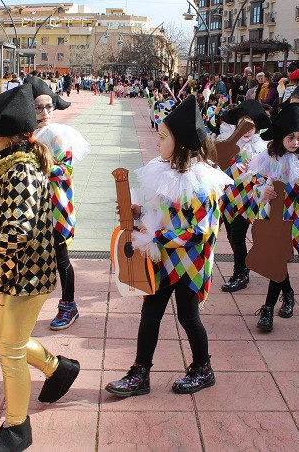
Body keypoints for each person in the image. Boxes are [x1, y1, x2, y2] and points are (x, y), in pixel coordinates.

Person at [0, 84, 80, 452]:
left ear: (3, 130)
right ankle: (59, 368)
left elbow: (16, 232)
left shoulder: (20, 170)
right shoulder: (12, 165)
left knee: (9, 348)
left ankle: (16, 429)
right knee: (1, 340)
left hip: (28, 274)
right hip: (11, 272)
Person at [105, 96, 232, 397]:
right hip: (162, 259)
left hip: (190, 264)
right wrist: (138, 213)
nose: (158, 141)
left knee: (188, 317)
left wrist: (158, 238)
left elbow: (201, 232)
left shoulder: (203, 183)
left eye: (164, 137)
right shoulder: (162, 171)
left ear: (183, 144)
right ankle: (140, 373)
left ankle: (203, 369)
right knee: (150, 313)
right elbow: (157, 212)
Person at [238, 103, 299, 332]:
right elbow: (255, 182)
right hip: (271, 215)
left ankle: (268, 308)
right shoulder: (267, 157)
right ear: (281, 135)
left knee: (279, 259)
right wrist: (262, 190)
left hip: (294, 218)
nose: (295, 142)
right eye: (291, 137)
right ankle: (287, 294)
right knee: (276, 258)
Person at [25, 76, 90, 330]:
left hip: (56, 206)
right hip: (30, 207)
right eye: (38, 107)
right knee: (27, 258)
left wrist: (36, 167)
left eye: (49, 106)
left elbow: (66, 170)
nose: (44, 113)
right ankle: (17, 311)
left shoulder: (58, 135)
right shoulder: (26, 135)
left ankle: (69, 306)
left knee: (61, 258)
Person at [219, 100, 272, 292]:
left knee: (239, 235)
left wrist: (254, 169)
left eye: (251, 124)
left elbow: (267, 174)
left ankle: (240, 273)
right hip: (228, 195)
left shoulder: (262, 148)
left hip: (249, 197)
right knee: (231, 235)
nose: (247, 129)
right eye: (243, 123)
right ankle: (242, 269)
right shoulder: (228, 143)